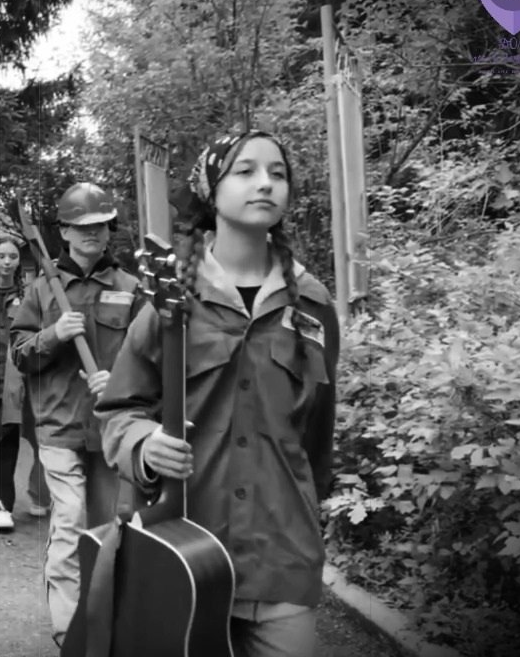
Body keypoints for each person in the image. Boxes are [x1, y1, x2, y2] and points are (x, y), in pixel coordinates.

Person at [95, 130, 340, 657]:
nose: (265, 183)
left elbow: (318, 435)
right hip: (182, 551)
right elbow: (119, 408)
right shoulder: (170, 299)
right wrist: (143, 445)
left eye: (278, 173)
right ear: (212, 189)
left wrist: (308, 514)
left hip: (283, 560)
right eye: (246, 171)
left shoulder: (314, 304)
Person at [10, 182, 144, 647]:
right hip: (59, 428)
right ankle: (69, 635)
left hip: (112, 429)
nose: (93, 233)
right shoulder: (41, 290)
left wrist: (121, 380)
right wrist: (53, 335)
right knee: (69, 521)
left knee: (109, 529)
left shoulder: (131, 289)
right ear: (64, 231)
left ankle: (106, 622)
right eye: (82, 226)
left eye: (101, 225)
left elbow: (150, 358)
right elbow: (19, 355)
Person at [0, 235, 50, 531]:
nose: (7, 261)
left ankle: (2, 504)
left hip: (14, 382)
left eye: (13, 257)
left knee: (6, 438)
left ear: (18, 262)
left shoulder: (29, 296)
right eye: (2, 256)